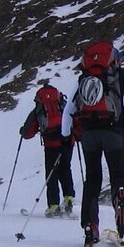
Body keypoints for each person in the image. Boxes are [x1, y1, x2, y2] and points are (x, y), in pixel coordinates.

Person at [61, 41, 124, 247]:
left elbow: (68, 109)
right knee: (118, 176)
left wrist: (65, 135)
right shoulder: (121, 75)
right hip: (114, 133)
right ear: (115, 59)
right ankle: (121, 212)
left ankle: (90, 227)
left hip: (88, 135)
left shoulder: (83, 78)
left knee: (92, 180)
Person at [20, 83, 76, 217]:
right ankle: (68, 199)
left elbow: (28, 132)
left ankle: (53, 206)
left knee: (51, 173)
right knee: (65, 169)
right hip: (67, 141)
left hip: (51, 144)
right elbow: (74, 117)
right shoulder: (62, 104)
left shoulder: (39, 109)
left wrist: (23, 131)